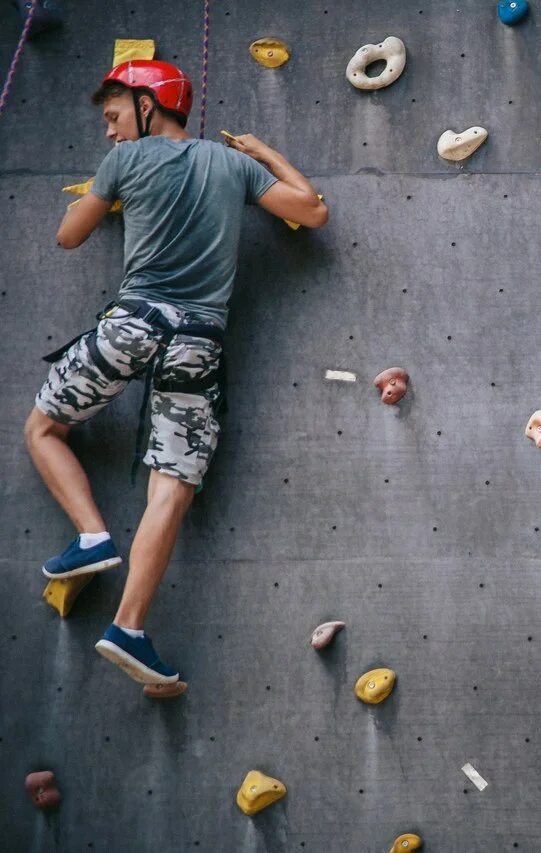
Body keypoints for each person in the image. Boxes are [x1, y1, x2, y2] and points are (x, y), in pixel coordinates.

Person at [24, 59, 328, 686]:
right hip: (199, 342)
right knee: (172, 485)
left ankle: (91, 538)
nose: (109, 133)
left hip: (132, 325)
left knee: (43, 431)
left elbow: (67, 237)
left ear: (146, 105)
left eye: (113, 118)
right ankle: (129, 627)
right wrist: (263, 151)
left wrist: (104, 196)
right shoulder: (237, 167)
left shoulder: (123, 163)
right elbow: (314, 211)